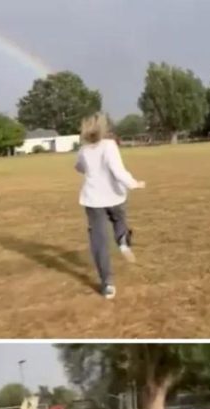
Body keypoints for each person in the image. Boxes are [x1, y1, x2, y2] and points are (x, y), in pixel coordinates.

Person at [74, 113, 146, 300]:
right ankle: (122, 242)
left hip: (93, 200)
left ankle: (107, 284)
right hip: (114, 196)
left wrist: (89, 167)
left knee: (99, 241)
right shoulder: (109, 145)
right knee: (119, 219)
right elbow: (118, 171)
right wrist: (134, 184)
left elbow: (79, 167)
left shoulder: (83, 150)